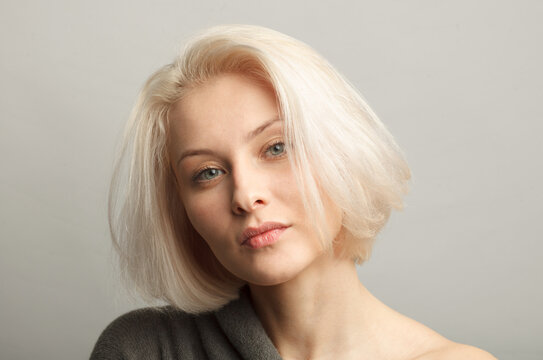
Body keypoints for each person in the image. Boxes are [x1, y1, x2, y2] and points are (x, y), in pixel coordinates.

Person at [90, 25, 496, 360]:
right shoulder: (145, 350)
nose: (246, 196)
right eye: (208, 172)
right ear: (181, 210)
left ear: (341, 152)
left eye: (276, 148)